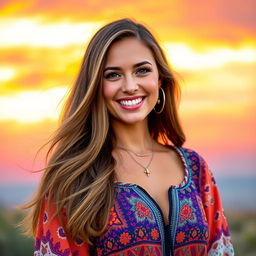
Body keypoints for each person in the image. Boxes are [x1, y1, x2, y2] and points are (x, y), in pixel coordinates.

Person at [23, 18, 234, 255]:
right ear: (95, 87)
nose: (130, 86)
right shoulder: (72, 178)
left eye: (142, 70)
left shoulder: (195, 168)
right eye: (113, 75)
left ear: (160, 79)